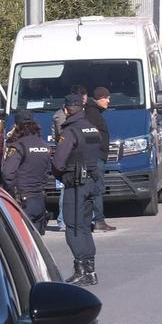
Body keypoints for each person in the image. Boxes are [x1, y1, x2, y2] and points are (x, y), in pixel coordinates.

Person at [51, 95, 98, 285]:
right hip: (91, 182)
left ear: (66, 109)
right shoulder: (91, 128)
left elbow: (58, 161)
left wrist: (60, 176)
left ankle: (82, 271)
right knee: (85, 227)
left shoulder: (70, 132)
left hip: (75, 183)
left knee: (72, 227)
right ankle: (91, 269)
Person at [0, 113, 55, 232]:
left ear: (16, 126)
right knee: (35, 244)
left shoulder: (18, 146)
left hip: (22, 201)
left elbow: (8, 174)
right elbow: (47, 172)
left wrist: (10, 193)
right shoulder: (44, 145)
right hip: (40, 199)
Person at [84, 87, 114, 232]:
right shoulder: (92, 113)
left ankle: (97, 219)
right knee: (97, 188)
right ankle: (99, 220)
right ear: (99, 98)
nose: (108, 100)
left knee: (96, 188)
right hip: (95, 157)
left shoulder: (94, 112)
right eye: (106, 98)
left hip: (97, 156)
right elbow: (91, 135)